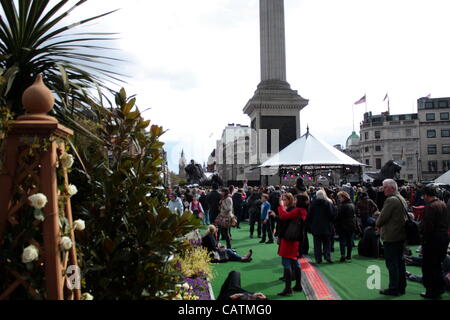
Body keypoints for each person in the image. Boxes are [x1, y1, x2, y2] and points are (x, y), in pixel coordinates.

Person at [375, 179, 408, 296]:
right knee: (400, 262)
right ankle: (401, 286)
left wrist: (377, 223)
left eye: (385, 188)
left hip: (392, 235)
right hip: (400, 234)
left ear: (392, 188)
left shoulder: (391, 200)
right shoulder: (400, 198)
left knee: (392, 263)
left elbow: (382, 217)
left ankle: (394, 288)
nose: (383, 190)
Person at [419, 185, 449, 299]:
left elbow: (428, 227)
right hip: (443, 237)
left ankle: (431, 290)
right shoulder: (442, 204)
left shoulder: (431, 207)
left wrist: (424, 239)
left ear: (426, 195)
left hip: (433, 239)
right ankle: (439, 288)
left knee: (428, 267)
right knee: (437, 266)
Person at [277, 193, 308, 296]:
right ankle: (298, 285)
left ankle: (288, 288)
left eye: (295, 199)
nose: (294, 201)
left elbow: (283, 216)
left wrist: (281, 206)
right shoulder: (303, 211)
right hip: (295, 238)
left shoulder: (298, 210)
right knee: (294, 261)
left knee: (286, 262)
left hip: (289, 238)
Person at [307, 190, 336, 264]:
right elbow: (332, 214)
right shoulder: (328, 203)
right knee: (327, 242)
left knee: (317, 244)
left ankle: (318, 259)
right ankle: (327, 256)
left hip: (316, 226)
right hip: (326, 226)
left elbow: (309, 216)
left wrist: (311, 224)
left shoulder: (313, 204)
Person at [336, 191, 357, 262]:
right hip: (352, 224)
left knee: (342, 240)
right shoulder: (352, 204)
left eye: (340, 197)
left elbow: (339, 216)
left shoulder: (343, 206)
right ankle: (348, 255)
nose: (339, 199)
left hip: (343, 225)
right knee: (349, 240)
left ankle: (343, 255)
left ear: (343, 197)